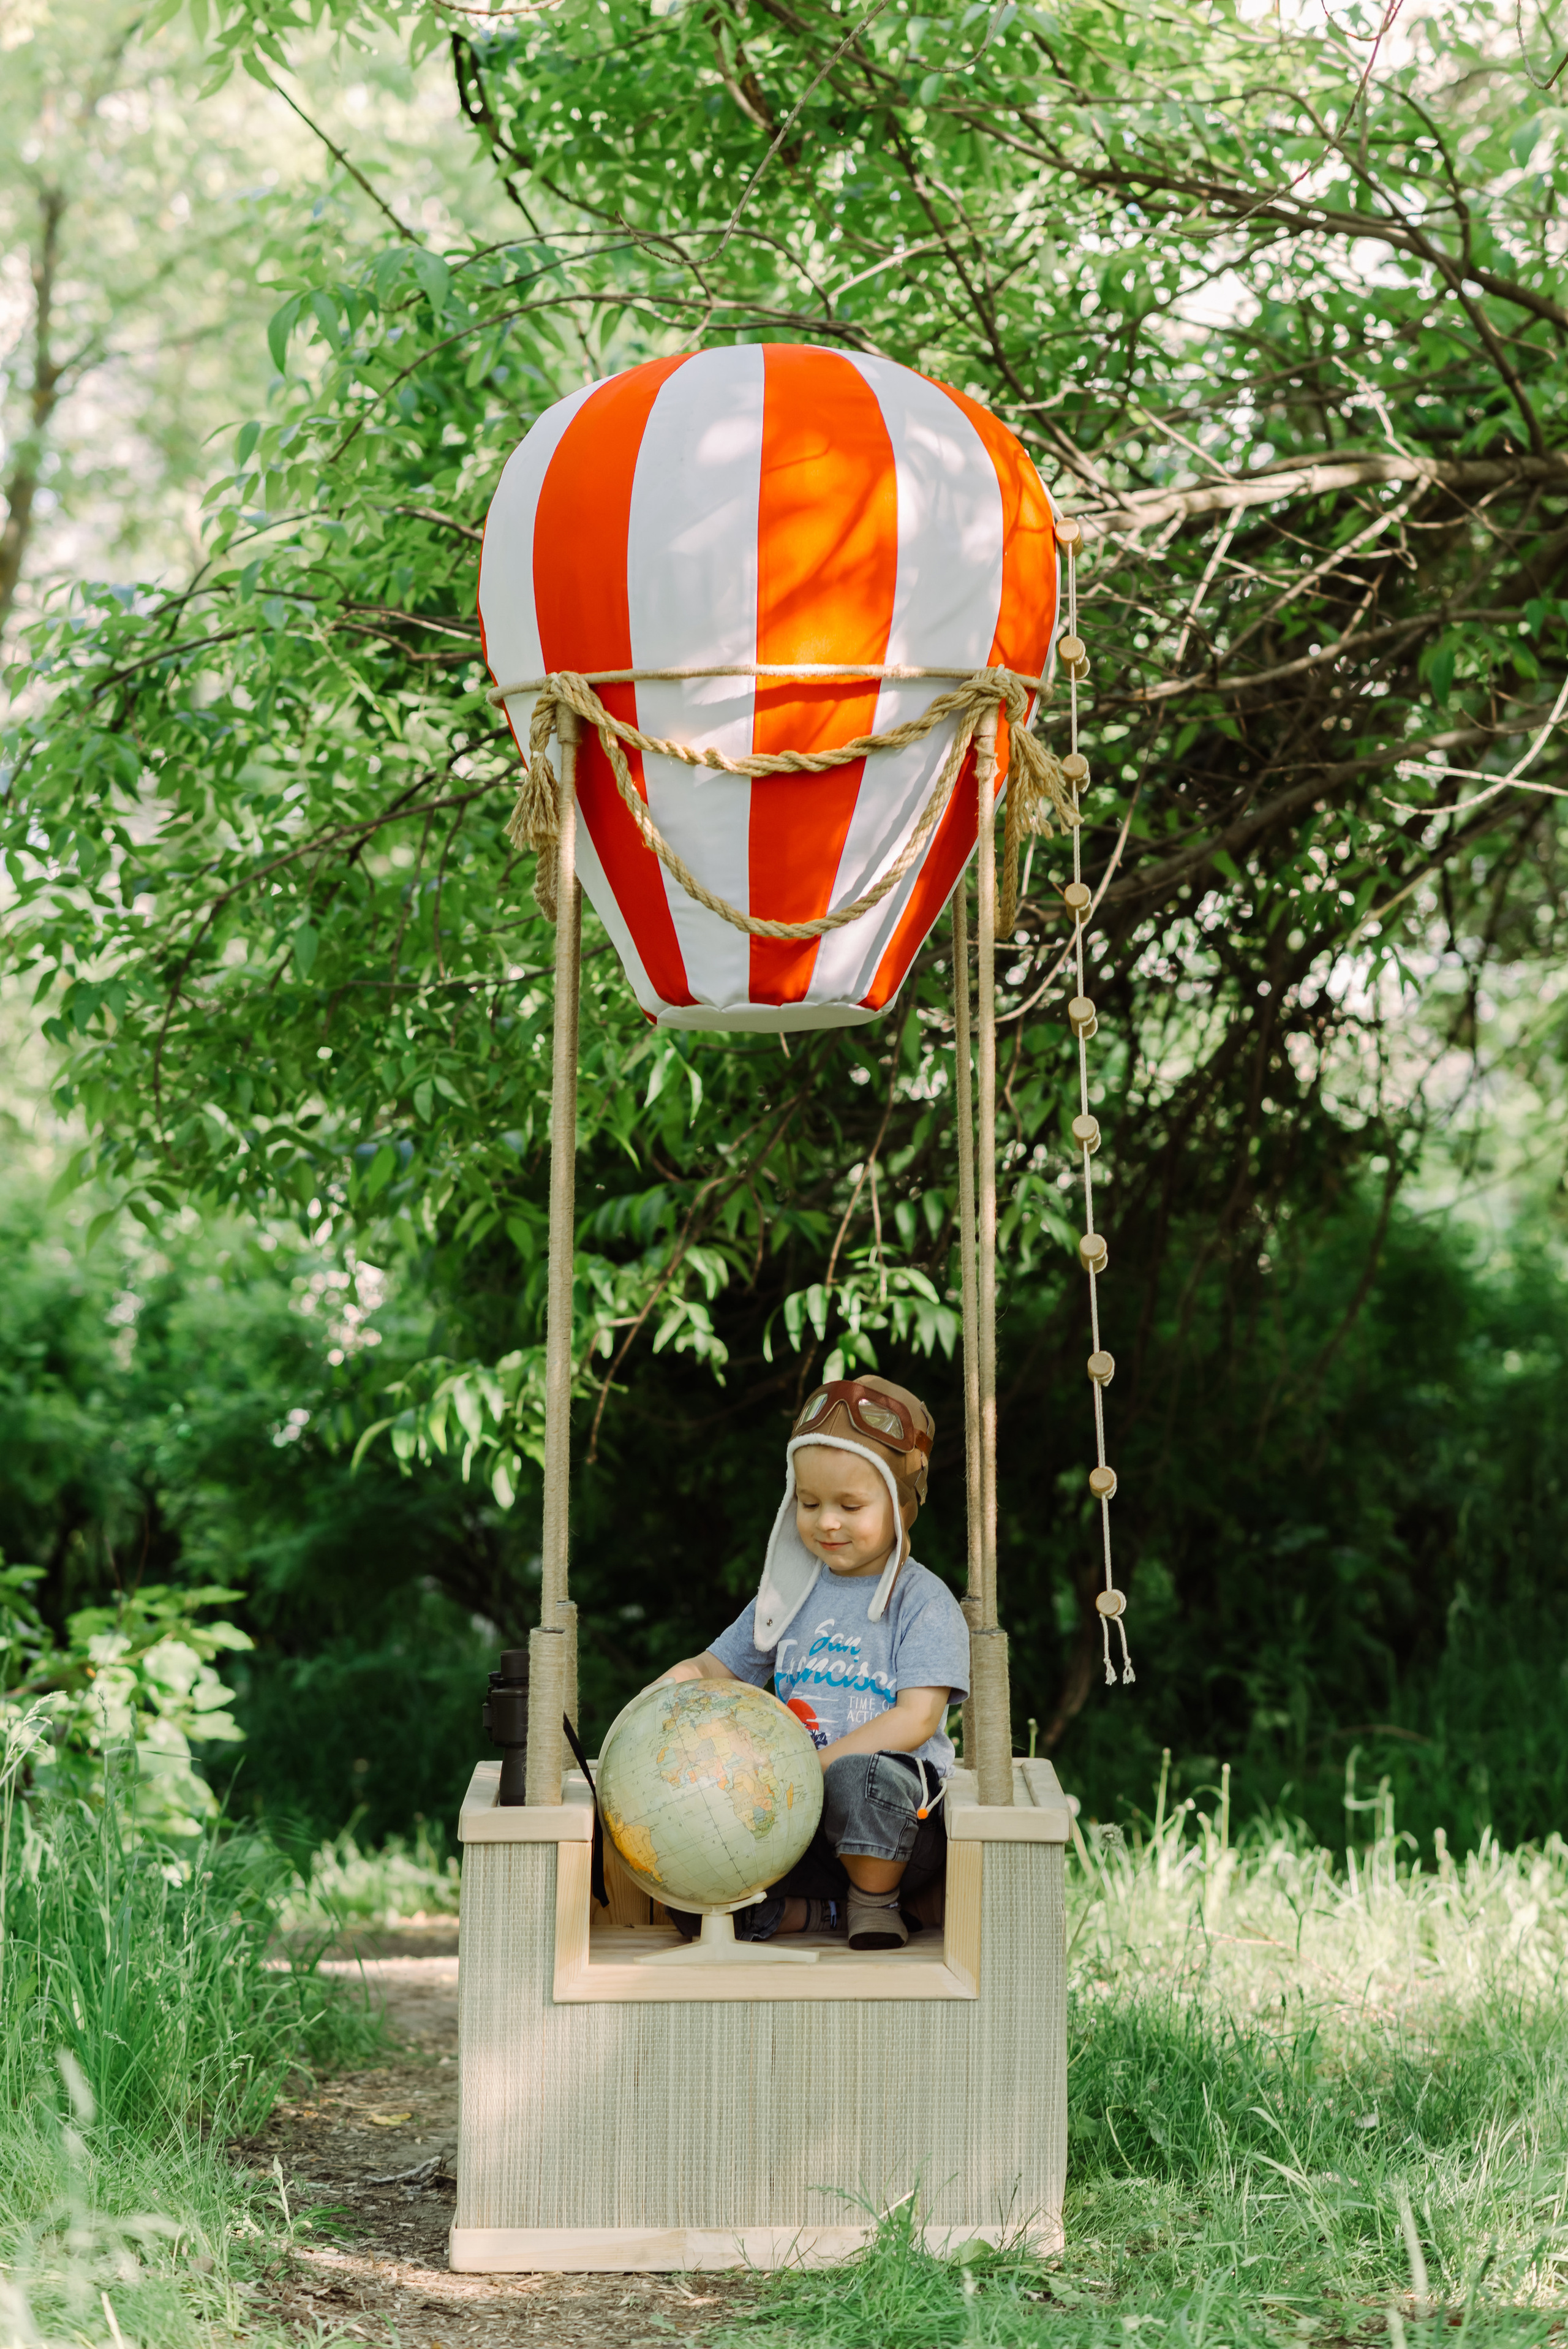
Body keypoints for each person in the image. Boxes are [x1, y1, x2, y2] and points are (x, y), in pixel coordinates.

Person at [654, 1373, 969, 1951]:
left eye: (850, 1505)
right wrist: (671, 1687)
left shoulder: (922, 1600)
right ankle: (829, 1910)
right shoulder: (789, 1591)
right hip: (796, 1820)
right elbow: (718, 1665)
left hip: (895, 1821)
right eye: (809, 1503)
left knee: (861, 1777)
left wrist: (811, 1764)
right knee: (698, 1896)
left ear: (904, 1507)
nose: (827, 1521)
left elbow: (917, 1720)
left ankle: (877, 1901)